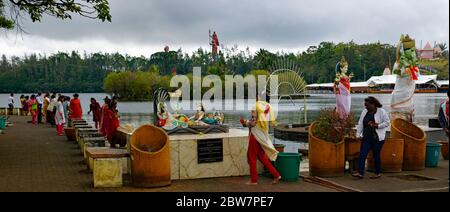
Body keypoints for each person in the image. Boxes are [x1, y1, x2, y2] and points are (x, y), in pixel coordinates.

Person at [239, 94, 281, 185]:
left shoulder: (256, 106)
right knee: (262, 157)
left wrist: (244, 122)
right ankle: (276, 175)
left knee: (252, 157)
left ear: (260, 97)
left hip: (255, 135)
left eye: (257, 95)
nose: (255, 97)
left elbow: (253, 123)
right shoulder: (269, 107)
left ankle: (254, 180)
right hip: (263, 135)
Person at [353, 97, 390, 179]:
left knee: (376, 155)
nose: (366, 107)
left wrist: (377, 125)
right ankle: (360, 172)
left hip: (377, 138)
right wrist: (358, 134)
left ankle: (377, 172)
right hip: (366, 137)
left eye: (367, 105)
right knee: (362, 154)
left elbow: (387, 122)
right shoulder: (364, 112)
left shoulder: (381, 111)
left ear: (373, 104)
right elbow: (360, 124)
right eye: (365, 105)